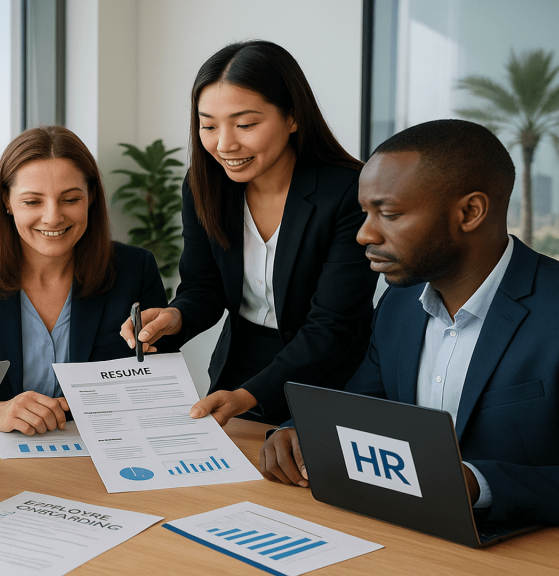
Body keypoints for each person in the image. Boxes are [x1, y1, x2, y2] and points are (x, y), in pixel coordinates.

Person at [260, 119, 559, 527]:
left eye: (390, 214)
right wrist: (301, 433)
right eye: (366, 213)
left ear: (470, 212)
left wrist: (474, 483)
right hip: (404, 539)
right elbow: (366, 405)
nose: (364, 235)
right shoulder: (399, 304)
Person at [121, 40, 377, 426]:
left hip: (331, 377)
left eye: (245, 124)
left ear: (292, 117)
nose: (225, 145)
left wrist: (249, 395)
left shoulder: (347, 192)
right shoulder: (204, 185)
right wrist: (175, 317)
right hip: (237, 370)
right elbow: (203, 288)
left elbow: (333, 325)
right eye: (208, 125)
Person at [0, 126, 172, 435]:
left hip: (113, 449)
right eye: (32, 202)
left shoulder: (135, 269)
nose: (53, 217)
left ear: (91, 198)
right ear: (6, 201)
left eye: (70, 199)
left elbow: (158, 382)